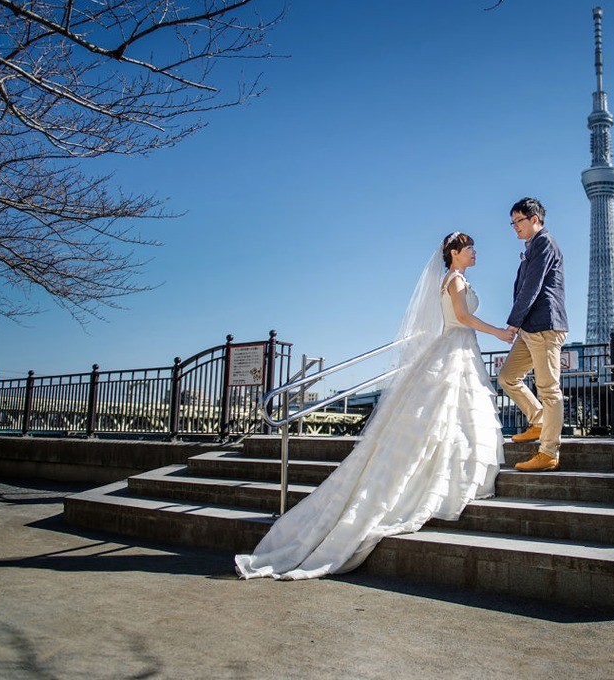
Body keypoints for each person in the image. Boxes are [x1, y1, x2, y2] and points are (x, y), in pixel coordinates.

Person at [235, 232, 515, 580]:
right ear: (455, 253)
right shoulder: (455, 280)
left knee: (451, 419)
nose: (475, 252)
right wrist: (499, 333)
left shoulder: (453, 278)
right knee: (448, 417)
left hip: (456, 349)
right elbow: (463, 317)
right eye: (470, 248)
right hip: (456, 346)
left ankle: (449, 480)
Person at [498, 197, 568, 472]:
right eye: (512, 222)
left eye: (518, 221)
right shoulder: (532, 246)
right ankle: (538, 420)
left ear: (534, 219)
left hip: (545, 326)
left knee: (549, 389)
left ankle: (549, 452)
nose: (514, 227)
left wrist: (512, 324)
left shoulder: (544, 243)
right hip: (530, 327)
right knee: (507, 377)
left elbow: (532, 287)